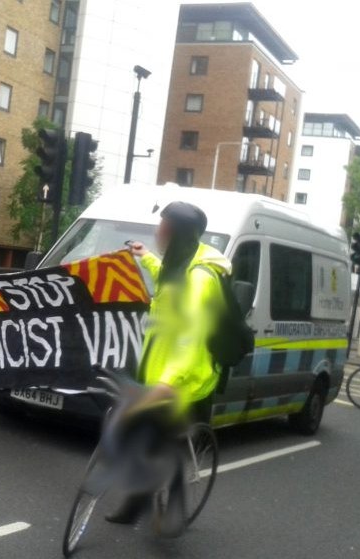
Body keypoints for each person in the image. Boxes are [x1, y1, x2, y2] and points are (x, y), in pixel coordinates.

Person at [104, 201, 231, 528]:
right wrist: (145, 256)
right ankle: (143, 499)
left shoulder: (201, 277)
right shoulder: (180, 261)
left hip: (186, 378)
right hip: (160, 367)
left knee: (162, 445)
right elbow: (168, 280)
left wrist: (169, 382)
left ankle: (164, 510)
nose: (158, 232)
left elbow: (191, 337)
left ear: (176, 233)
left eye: (162, 228)